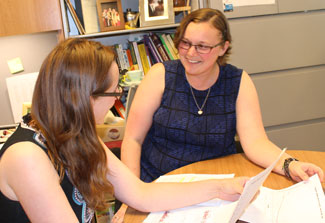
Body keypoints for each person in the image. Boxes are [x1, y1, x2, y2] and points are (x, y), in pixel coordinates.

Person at [0, 38, 249, 223]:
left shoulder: (75, 133)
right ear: (83, 98)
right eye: (113, 92)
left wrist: (219, 187)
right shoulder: (27, 157)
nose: (117, 98)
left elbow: (141, 194)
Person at [115, 8, 324, 221]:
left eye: (202, 46)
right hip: (157, 187)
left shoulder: (238, 82)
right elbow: (133, 139)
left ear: (223, 48)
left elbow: (256, 142)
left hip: (215, 191)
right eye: (185, 43)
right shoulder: (160, 75)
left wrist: (291, 165)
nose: (190, 53)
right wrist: (130, 196)